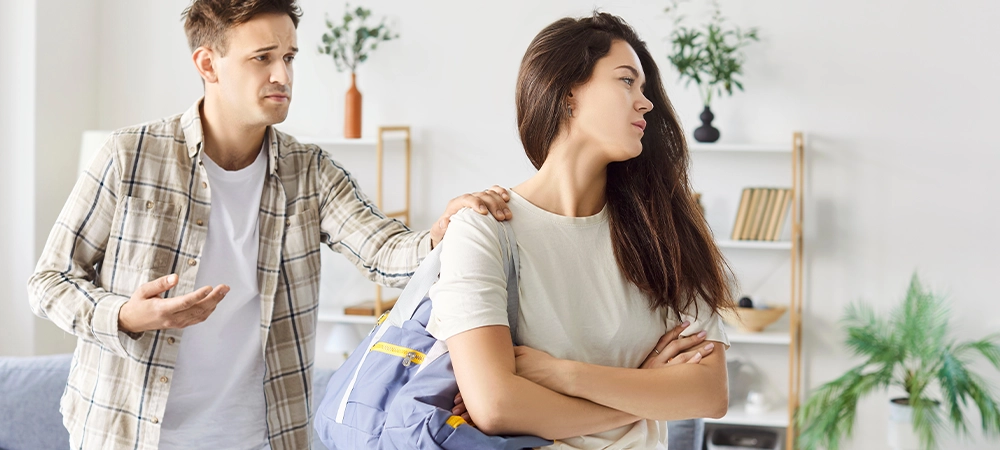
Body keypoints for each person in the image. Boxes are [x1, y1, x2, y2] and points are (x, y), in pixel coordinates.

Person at [26, 1, 511, 449]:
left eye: (289, 57)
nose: (283, 75)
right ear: (208, 64)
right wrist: (126, 316)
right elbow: (49, 281)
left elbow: (385, 252)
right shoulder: (130, 156)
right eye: (262, 58)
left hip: (261, 437)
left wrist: (443, 230)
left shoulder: (310, 171)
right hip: (127, 434)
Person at [426, 12, 735, 449]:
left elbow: (709, 393)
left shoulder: (663, 232)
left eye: (645, 89)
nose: (645, 102)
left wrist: (561, 374)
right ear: (568, 91)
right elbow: (496, 407)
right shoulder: (484, 231)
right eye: (627, 81)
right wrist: (642, 395)